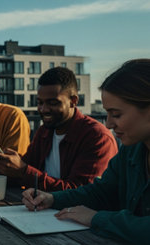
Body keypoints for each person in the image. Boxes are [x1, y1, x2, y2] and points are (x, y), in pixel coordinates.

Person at [22, 59, 150, 243]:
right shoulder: (131, 150)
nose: (108, 124)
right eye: (107, 114)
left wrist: (95, 218)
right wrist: (51, 199)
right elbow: (101, 191)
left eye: (116, 115)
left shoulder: (100, 136)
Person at [0, 67, 118, 191]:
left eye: (53, 103)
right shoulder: (44, 132)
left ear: (73, 101)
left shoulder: (97, 137)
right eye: (40, 103)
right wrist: (4, 167)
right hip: (39, 208)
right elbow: (25, 172)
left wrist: (23, 170)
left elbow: (81, 192)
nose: (44, 109)